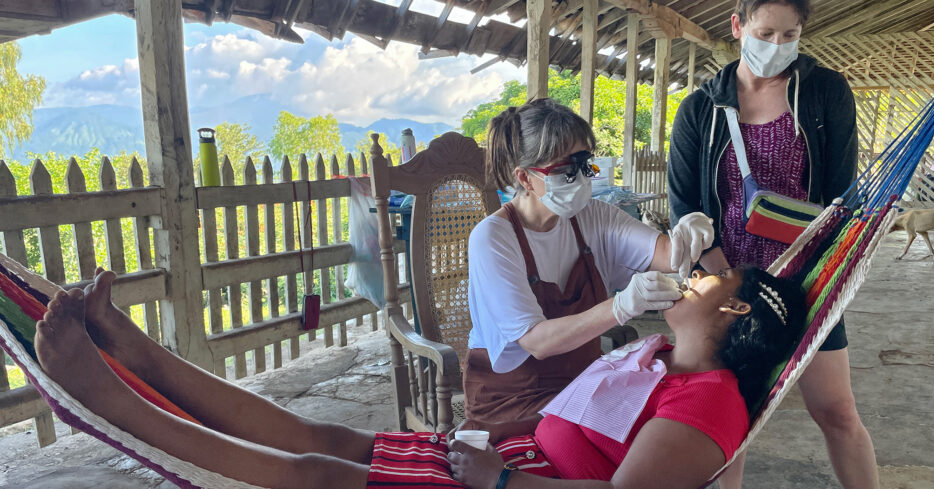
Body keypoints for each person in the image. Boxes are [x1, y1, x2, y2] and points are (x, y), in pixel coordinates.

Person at [33, 266, 804, 489]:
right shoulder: (667, 360)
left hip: (508, 485)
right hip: (503, 458)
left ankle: (116, 405)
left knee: (315, 470)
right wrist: (498, 446)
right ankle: (140, 357)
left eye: (705, 276)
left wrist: (500, 480)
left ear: (734, 309)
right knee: (327, 435)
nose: (690, 273)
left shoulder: (710, 401)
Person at [667, 1, 880, 488]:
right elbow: (685, 207)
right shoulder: (701, 108)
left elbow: (840, 196)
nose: (777, 47)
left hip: (805, 279)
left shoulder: (825, 93)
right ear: (738, 25)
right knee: (729, 415)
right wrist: (723, 276)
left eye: (790, 35)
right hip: (727, 285)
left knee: (837, 411)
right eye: (766, 33)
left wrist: (809, 271)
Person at [463, 98, 715, 423]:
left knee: (675, 407)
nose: (582, 180)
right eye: (566, 170)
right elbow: (537, 342)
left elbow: (666, 255)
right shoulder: (493, 238)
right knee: (645, 428)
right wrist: (622, 305)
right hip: (511, 404)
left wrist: (690, 231)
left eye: (585, 165)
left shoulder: (593, 217)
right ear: (525, 178)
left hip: (579, 387)